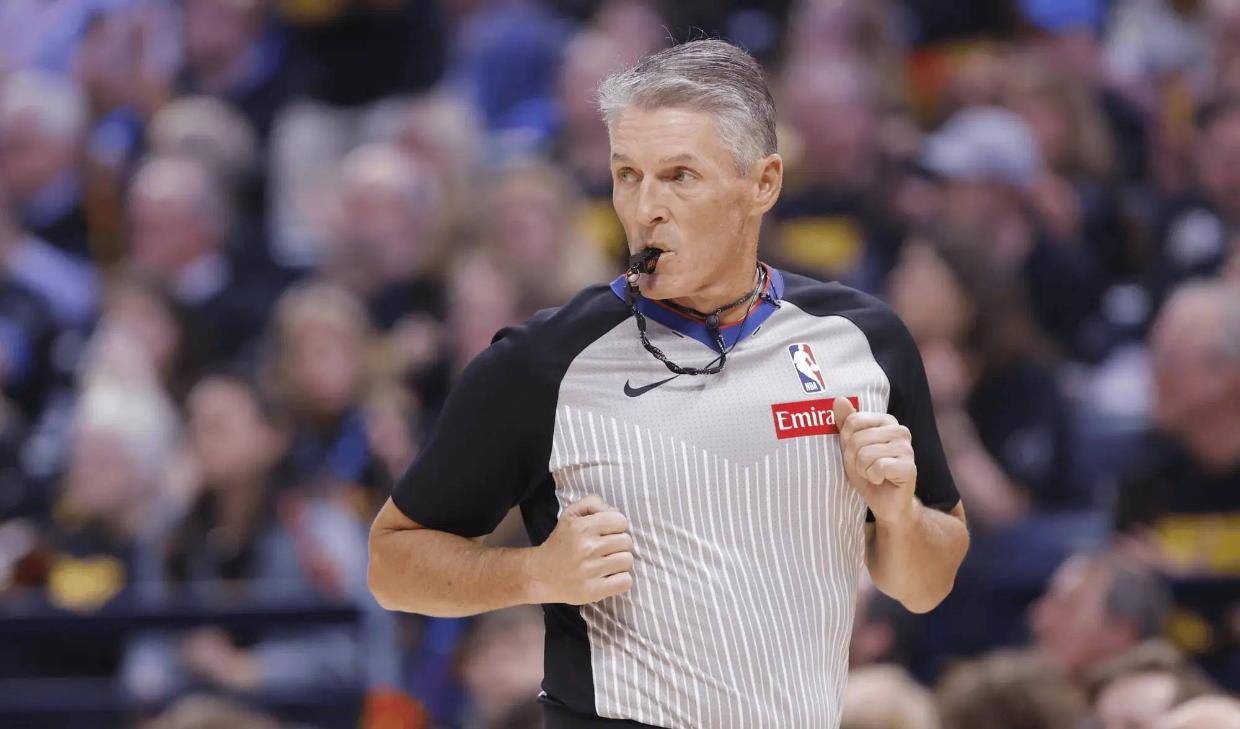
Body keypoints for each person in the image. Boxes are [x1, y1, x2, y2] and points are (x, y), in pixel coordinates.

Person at [368, 39, 968, 728]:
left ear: (763, 183)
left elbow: (927, 585)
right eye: (627, 174)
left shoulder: (863, 342)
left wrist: (897, 515)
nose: (645, 206)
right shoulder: (542, 362)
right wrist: (535, 573)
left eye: (680, 175)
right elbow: (392, 562)